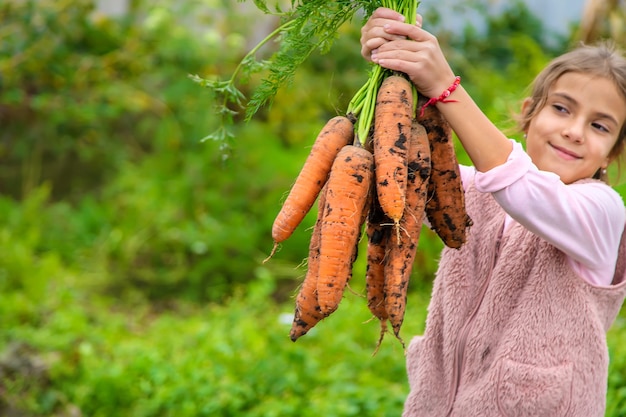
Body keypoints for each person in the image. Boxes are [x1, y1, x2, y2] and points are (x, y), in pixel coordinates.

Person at [360, 7, 626, 417]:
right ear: (528, 113)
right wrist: (394, 65)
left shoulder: (601, 212)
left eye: (600, 126)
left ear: (614, 152)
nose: (575, 130)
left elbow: (521, 190)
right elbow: (400, 171)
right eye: (562, 108)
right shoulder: (472, 188)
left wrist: (446, 86)